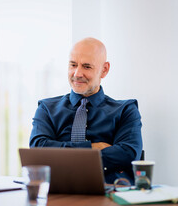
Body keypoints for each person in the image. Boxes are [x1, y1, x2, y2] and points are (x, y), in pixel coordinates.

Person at [29, 37, 142, 184]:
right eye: (73, 65)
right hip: (58, 192)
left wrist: (59, 153)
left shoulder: (126, 110)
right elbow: (38, 149)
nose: (77, 73)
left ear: (104, 69)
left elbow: (128, 154)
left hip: (109, 192)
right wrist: (92, 147)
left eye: (87, 66)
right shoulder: (46, 108)